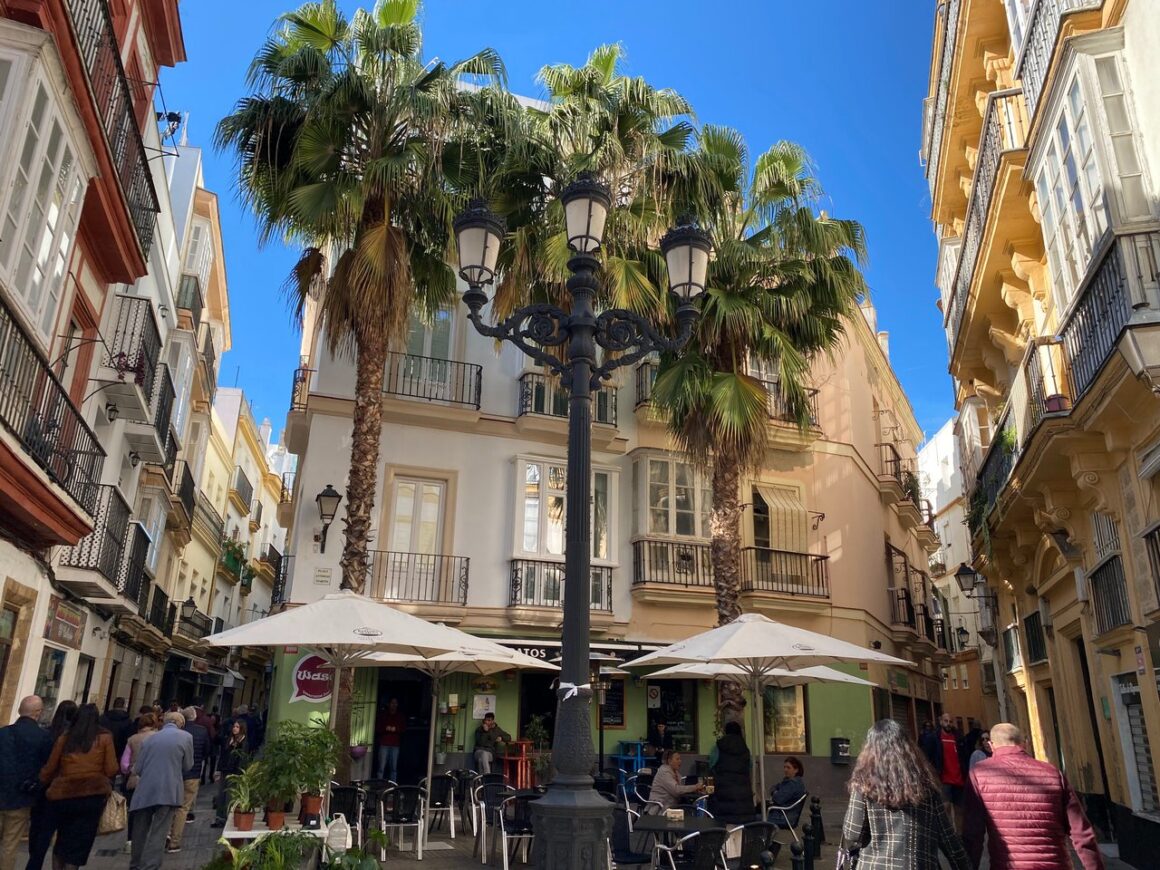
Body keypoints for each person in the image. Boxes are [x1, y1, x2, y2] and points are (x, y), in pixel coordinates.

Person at [963, 723, 1104, 870]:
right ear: (1025, 744)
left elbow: (973, 834)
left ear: (992, 745)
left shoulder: (979, 774)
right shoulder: (1052, 772)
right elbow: (1080, 832)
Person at [840, 719, 970, 870]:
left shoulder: (864, 784)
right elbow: (948, 838)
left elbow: (852, 834)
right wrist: (964, 865)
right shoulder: (926, 786)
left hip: (874, 865)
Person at [38, 703, 119, 870]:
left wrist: (42, 781)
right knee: (79, 843)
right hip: (91, 796)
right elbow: (111, 768)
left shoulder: (65, 737)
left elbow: (51, 766)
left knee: (61, 839)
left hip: (64, 795)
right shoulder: (104, 738)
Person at [129, 712, 192, 870]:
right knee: (160, 829)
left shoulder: (149, 738)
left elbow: (138, 768)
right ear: (180, 724)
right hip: (169, 789)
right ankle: (150, 865)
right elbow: (187, 766)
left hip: (145, 789)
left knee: (140, 829)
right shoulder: (185, 737)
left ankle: (136, 863)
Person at [0, 696, 53, 870]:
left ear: (19, 711)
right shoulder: (43, 737)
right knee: (10, 844)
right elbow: (47, 768)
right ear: (37, 713)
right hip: (21, 797)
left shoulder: (3, 733)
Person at [26, 701, 77, 870]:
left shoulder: (47, 733)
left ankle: (34, 863)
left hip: (44, 787)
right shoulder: (73, 738)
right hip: (63, 790)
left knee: (40, 830)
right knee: (62, 834)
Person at [165, 708, 208, 854]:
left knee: (170, 806)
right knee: (183, 808)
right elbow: (207, 750)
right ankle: (174, 842)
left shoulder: (174, 734)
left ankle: (167, 834)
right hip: (193, 773)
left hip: (174, 774)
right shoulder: (201, 731)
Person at [121, 713, 158, 858]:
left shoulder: (132, 739)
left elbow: (124, 764)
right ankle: (145, 840)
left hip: (134, 780)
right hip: (151, 779)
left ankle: (130, 840)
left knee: (133, 812)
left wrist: (130, 770)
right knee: (149, 812)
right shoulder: (157, 738)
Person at [922, 712, 966, 827]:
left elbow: (964, 756)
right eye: (946, 721)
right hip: (943, 779)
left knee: (959, 810)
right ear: (941, 722)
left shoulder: (959, 738)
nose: (948, 724)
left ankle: (959, 836)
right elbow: (927, 757)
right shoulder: (934, 738)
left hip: (959, 779)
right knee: (945, 808)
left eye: (950, 721)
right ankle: (949, 835)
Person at [707, 721, 754, 824]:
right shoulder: (745, 749)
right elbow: (750, 768)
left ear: (725, 732)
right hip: (743, 800)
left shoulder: (718, 747)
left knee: (722, 832)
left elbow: (711, 766)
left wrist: (709, 791)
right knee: (739, 833)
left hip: (721, 798)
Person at [211, 719, 248, 828]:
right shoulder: (229, 739)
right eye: (234, 726)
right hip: (224, 770)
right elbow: (223, 754)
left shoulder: (243, 742)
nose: (234, 729)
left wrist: (239, 773)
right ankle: (219, 818)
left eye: (237, 727)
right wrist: (218, 770)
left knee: (230, 796)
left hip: (234, 772)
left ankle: (228, 818)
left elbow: (242, 759)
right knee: (221, 794)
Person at [769, 757, 807, 827]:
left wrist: (774, 792)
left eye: (788, 768)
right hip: (786, 815)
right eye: (784, 767)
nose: (785, 770)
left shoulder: (792, 784)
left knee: (755, 818)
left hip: (784, 817)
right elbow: (774, 787)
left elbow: (778, 799)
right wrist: (775, 791)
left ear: (796, 770)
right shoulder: (790, 781)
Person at [375, 698, 406, 782]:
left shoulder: (400, 716)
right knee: (381, 768)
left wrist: (396, 729)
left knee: (394, 768)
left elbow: (403, 729)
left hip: (395, 745)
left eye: (395, 703)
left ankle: (393, 787)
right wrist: (386, 728)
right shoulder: (383, 715)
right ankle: (379, 785)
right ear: (388, 704)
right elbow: (377, 728)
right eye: (392, 703)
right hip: (384, 744)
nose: (394, 705)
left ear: (397, 705)